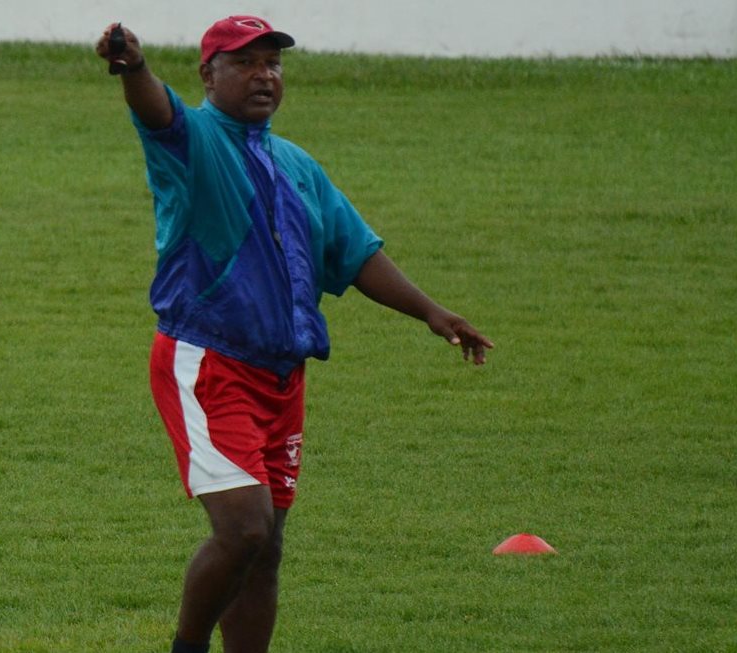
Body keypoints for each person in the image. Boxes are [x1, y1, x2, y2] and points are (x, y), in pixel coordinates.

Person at [96, 15, 493, 653]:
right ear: (209, 73)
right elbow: (157, 112)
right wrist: (133, 68)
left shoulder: (296, 165)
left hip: (281, 378)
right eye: (246, 62)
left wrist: (432, 312)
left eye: (273, 64)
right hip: (209, 362)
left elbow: (355, 252)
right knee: (244, 531)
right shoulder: (193, 142)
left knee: (268, 548)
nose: (264, 76)